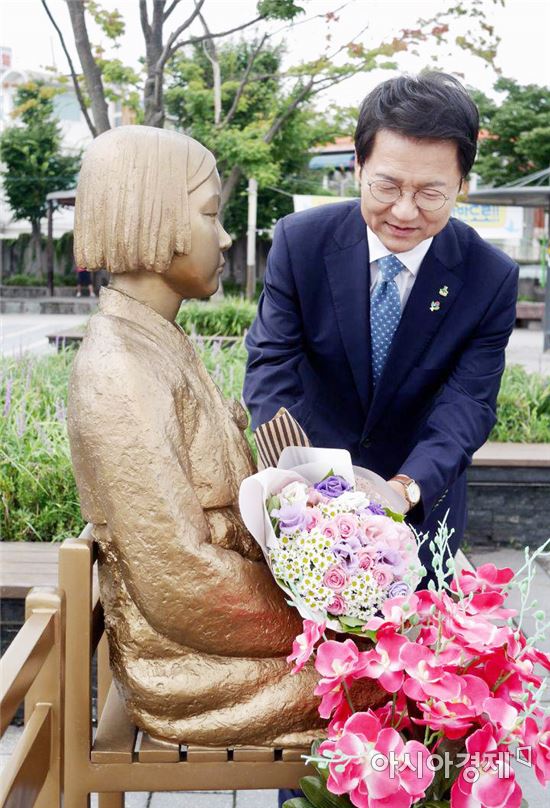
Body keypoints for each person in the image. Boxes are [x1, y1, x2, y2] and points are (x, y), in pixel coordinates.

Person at [67, 125, 381, 747]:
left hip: (219, 635)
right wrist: (321, 622)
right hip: (186, 664)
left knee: (411, 658)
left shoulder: (157, 343)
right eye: (211, 213)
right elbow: (178, 580)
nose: (227, 235)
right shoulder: (120, 369)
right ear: (155, 221)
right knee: (405, 680)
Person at [244, 72, 519, 583]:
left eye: (432, 193)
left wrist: (403, 490)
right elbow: (271, 367)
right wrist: (311, 485)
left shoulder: (490, 278)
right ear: (358, 166)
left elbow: (467, 404)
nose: (404, 211)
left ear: (462, 184)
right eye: (386, 185)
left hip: (418, 508)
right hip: (303, 503)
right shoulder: (300, 243)